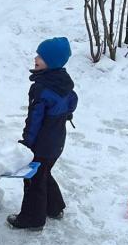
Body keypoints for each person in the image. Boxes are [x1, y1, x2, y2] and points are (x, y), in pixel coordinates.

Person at [7, 37, 78, 230]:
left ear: (52, 62)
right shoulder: (63, 82)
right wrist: (65, 113)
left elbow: (35, 120)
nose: (36, 58)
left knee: (33, 180)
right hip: (57, 142)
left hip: (42, 144)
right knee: (44, 172)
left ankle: (32, 219)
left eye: (41, 57)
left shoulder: (41, 88)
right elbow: (73, 100)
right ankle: (54, 208)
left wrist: (26, 143)